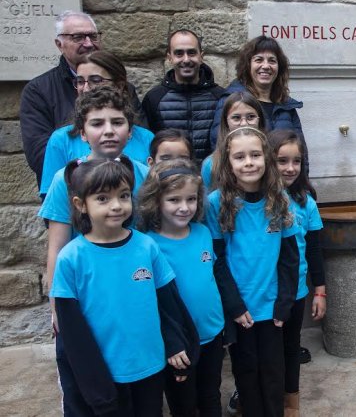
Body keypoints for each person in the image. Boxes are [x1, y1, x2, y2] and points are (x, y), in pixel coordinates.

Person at [51, 158, 198, 416]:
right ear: (80, 204)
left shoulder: (146, 246)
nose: (117, 205)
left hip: (150, 366)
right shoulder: (71, 258)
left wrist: (176, 344)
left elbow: (168, 303)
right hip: (107, 375)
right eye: (103, 199)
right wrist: (96, 389)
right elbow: (73, 334)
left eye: (124, 195)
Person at [204, 126, 300, 416]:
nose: (249, 162)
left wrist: (285, 303)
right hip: (240, 310)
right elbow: (217, 260)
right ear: (228, 162)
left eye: (255, 155)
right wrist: (233, 305)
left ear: (266, 158)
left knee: (273, 374)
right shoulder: (217, 203)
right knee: (246, 373)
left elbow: (289, 258)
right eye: (240, 156)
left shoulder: (280, 200)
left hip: (272, 309)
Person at [39, 86, 150, 296]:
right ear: (82, 133)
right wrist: (57, 309)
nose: (109, 131)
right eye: (97, 124)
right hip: (87, 283)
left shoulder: (145, 175)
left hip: (137, 279)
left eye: (117, 122)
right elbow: (57, 247)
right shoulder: (65, 179)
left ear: (130, 131)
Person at [137, 159, 225, 416]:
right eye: (174, 200)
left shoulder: (202, 233)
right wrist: (171, 342)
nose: (184, 207)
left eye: (191, 199)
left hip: (212, 334)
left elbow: (212, 281)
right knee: (183, 404)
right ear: (156, 201)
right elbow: (153, 302)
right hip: (178, 344)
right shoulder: (147, 245)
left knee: (211, 396)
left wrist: (224, 328)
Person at [269, 129, 327, 417]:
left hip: (295, 292)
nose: (290, 168)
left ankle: (291, 404)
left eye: (296, 161)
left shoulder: (307, 202)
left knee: (291, 349)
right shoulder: (258, 200)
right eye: (282, 161)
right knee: (266, 354)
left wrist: (320, 291)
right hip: (262, 293)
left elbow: (315, 250)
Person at [40, 51, 154, 196]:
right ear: (83, 134)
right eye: (80, 81)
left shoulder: (146, 138)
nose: (86, 88)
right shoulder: (61, 140)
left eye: (95, 80)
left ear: (119, 85)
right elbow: (54, 203)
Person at [21, 11, 101, 186]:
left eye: (93, 36)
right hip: (68, 194)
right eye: (78, 37)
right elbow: (40, 155)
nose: (88, 43)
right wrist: (95, 178)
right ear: (59, 44)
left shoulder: (121, 86)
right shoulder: (38, 91)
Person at [142, 29, 227, 160]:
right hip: (170, 177)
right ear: (169, 57)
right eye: (179, 53)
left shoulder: (220, 97)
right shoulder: (154, 99)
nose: (186, 59)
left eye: (191, 52)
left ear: (201, 56)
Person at [211, 36, 305, 150]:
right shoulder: (230, 100)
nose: (266, 66)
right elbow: (219, 146)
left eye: (272, 61)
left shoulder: (287, 106)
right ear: (248, 65)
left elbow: (300, 151)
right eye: (259, 60)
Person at [203, 92, 267, 189]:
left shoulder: (272, 156)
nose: (244, 123)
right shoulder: (211, 164)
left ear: (260, 120)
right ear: (226, 122)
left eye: (251, 117)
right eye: (236, 118)